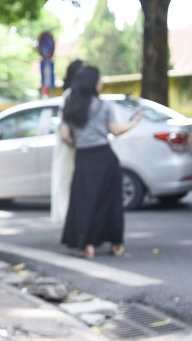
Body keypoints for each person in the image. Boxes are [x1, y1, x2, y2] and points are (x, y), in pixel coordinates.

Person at [59, 64, 142, 258]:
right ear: (92, 83)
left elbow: (65, 136)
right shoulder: (104, 106)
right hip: (105, 157)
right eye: (99, 80)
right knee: (111, 202)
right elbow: (116, 130)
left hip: (83, 158)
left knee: (85, 202)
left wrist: (78, 143)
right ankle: (116, 244)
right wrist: (134, 122)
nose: (102, 83)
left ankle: (87, 245)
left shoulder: (70, 106)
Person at [50, 59, 85, 225]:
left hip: (72, 146)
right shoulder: (71, 96)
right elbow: (65, 131)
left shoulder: (75, 95)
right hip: (69, 147)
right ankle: (69, 223)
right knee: (65, 184)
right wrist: (76, 144)